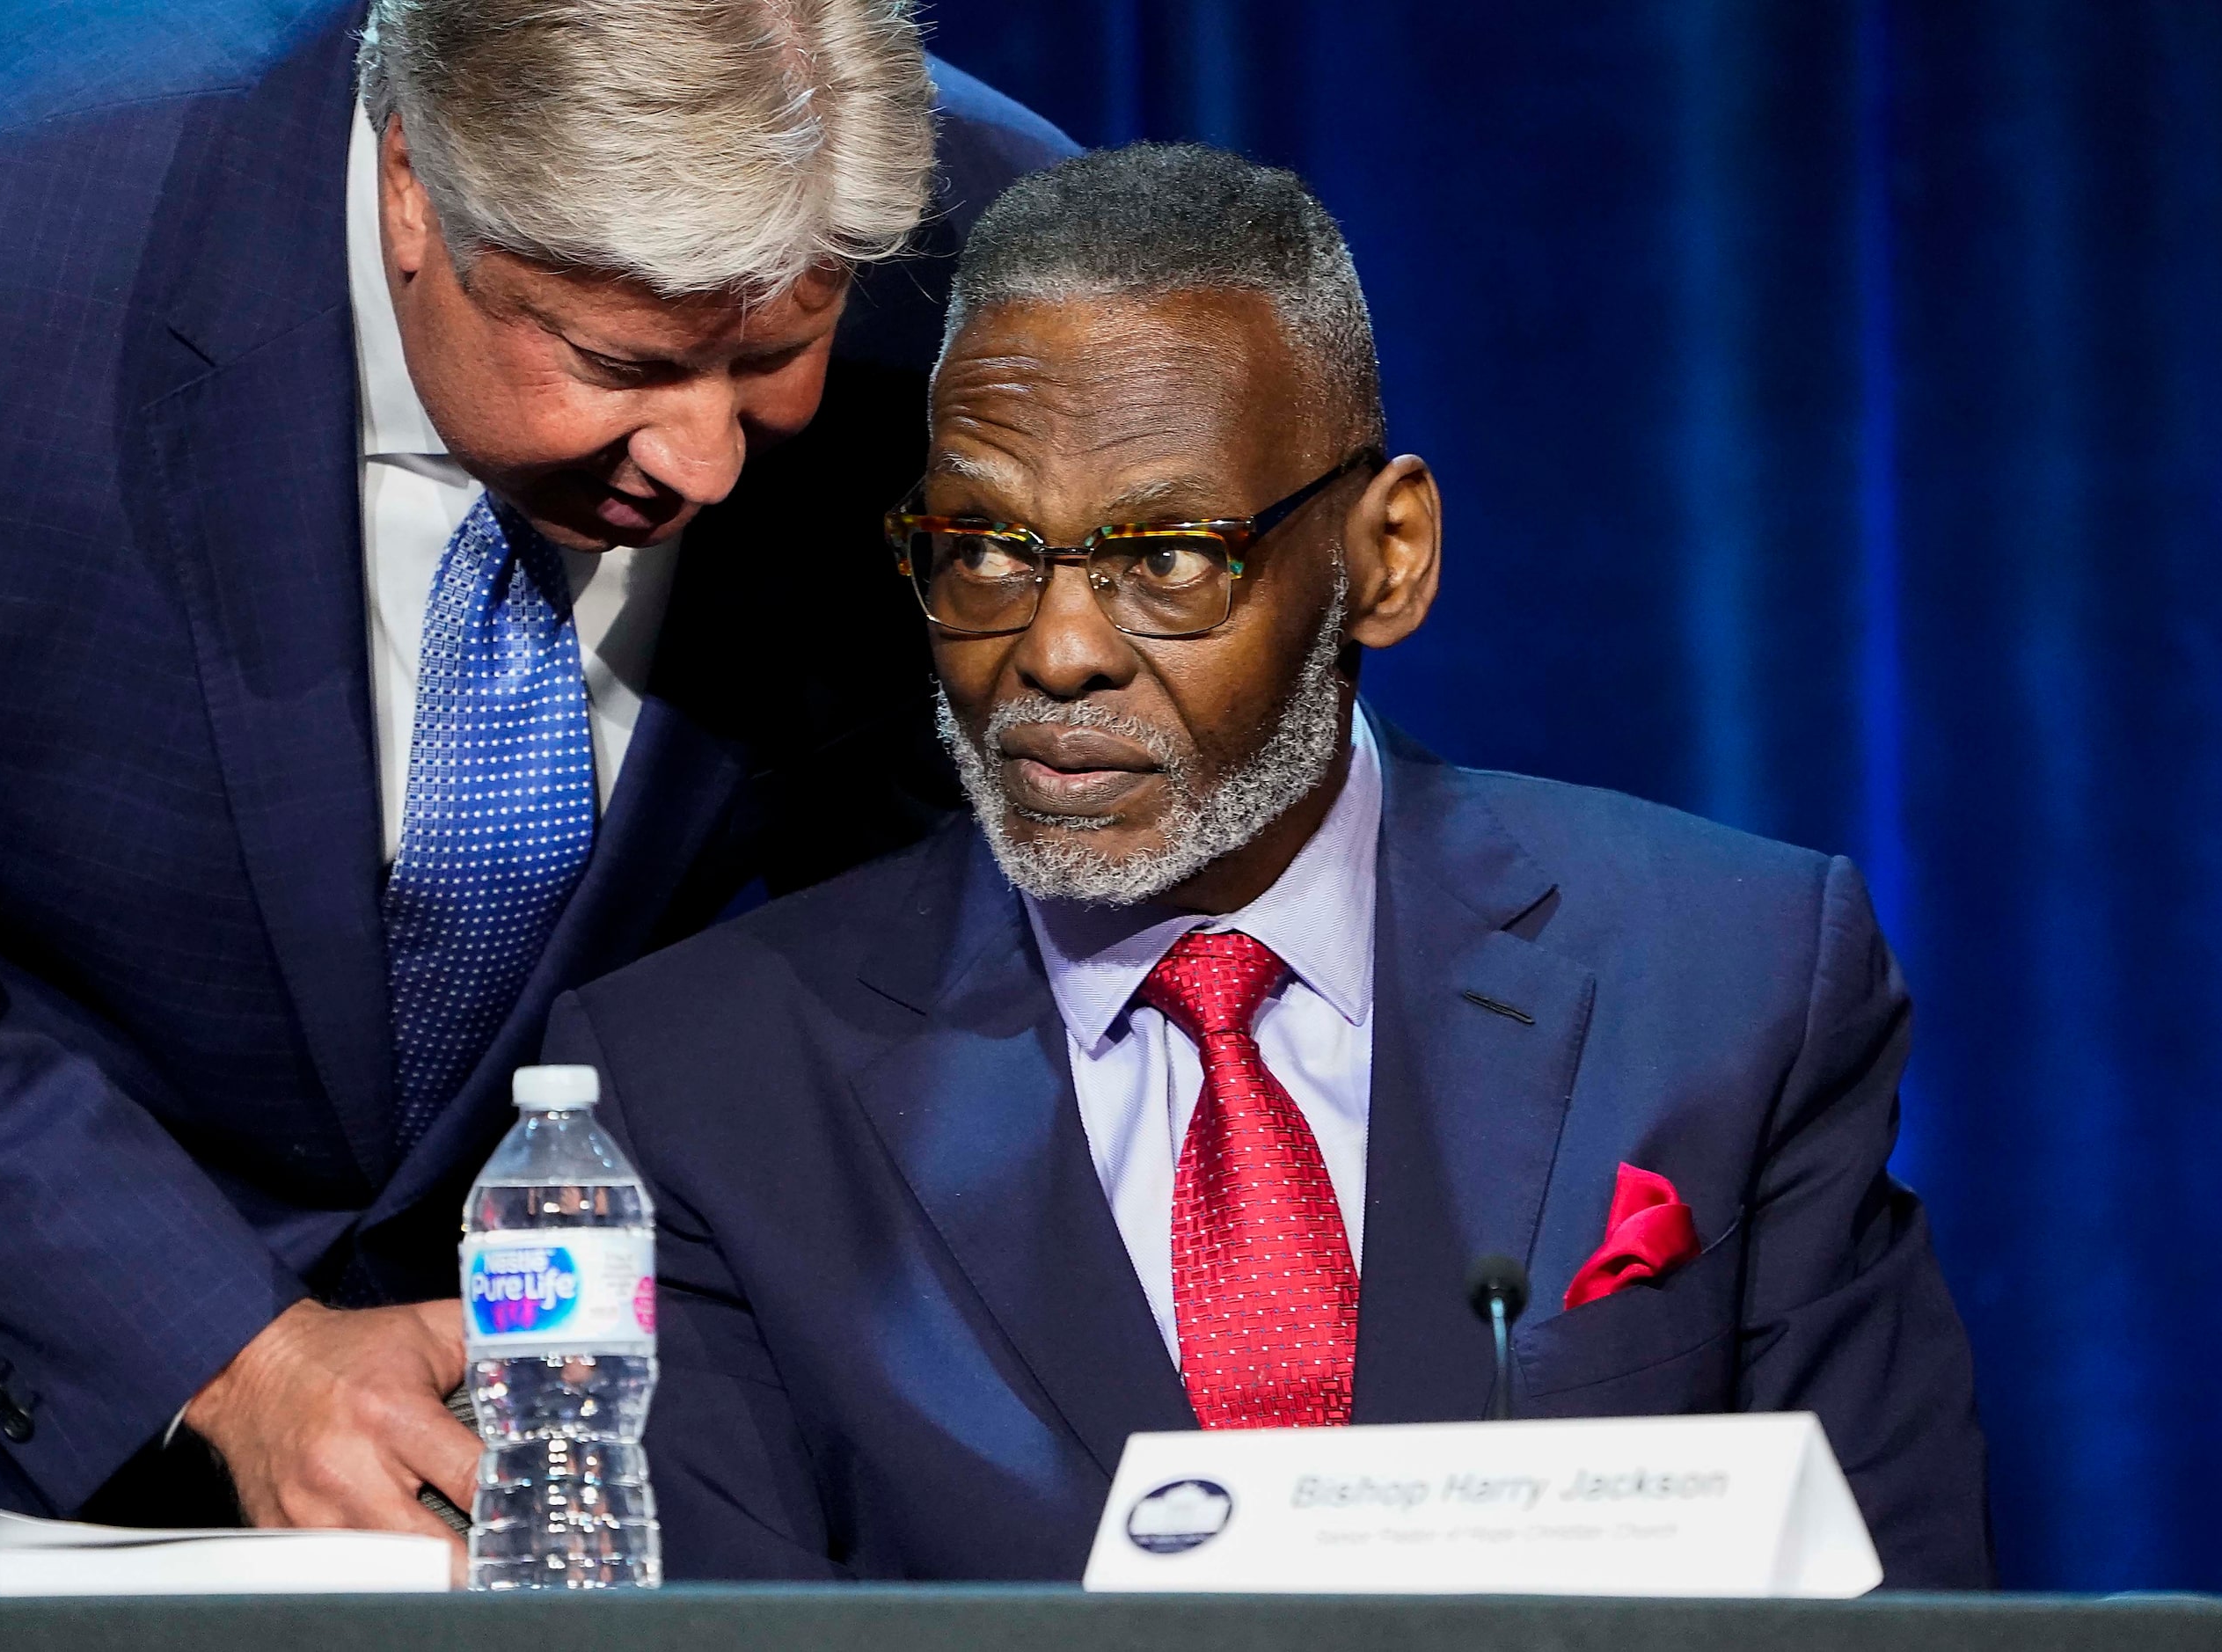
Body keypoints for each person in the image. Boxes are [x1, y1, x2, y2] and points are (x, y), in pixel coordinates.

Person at [0, 0, 1071, 1588]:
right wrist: (231, 1350)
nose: (712, 462)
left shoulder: (1000, 260)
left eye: (774, 353)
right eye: (622, 362)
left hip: (636, 1398)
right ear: (411, 193)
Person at [545, 143, 1993, 1587]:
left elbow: (1903, 1610)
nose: (1054, 652)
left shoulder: (1728, 980)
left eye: (1167, 557)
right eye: (984, 548)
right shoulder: (701, 1085)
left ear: (1385, 554)